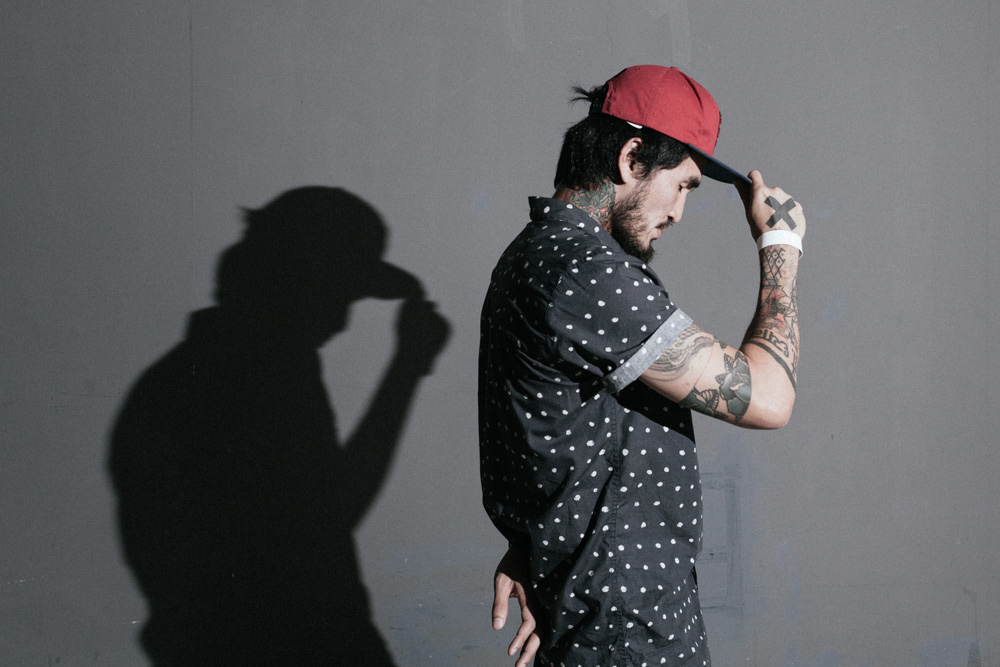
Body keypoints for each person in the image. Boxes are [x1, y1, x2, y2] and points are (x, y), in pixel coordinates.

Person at [478, 65, 805, 667]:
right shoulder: (586, 270)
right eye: (681, 185)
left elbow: (538, 425)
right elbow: (768, 398)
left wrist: (536, 546)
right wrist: (780, 249)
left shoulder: (531, 255)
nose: (679, 212)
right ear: (631, 159)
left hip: (592, 615)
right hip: (625, 631)